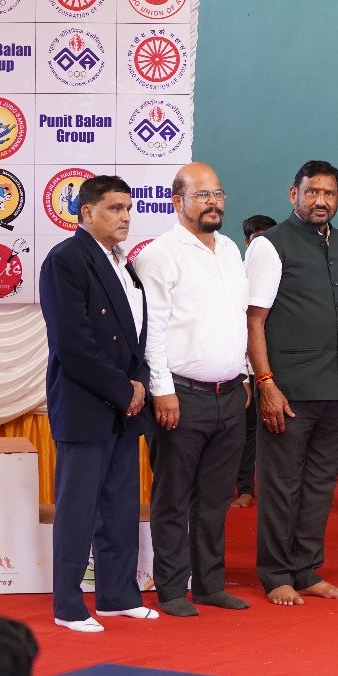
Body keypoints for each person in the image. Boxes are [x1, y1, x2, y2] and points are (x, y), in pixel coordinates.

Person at [39, 174, 158, 632]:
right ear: (87, 213)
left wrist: (139, 382)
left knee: (119, 506)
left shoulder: (124, 264)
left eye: (128, 208)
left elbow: (137, 335)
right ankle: (68, 606)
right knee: (78, 509)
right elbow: (73, 344)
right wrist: (124, 390)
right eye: (114, 208)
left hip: (125, 406)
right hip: (86, 404)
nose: (125, 217)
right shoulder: (66, 260)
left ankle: (116, 596)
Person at [135, 163, 251, 616]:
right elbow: (152, 330)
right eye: (202, 195)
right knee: (173, 498)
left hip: (230, 394)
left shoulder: (231, 249)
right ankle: (169, 590)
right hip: (181, 396)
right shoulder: (159, 255)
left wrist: (243, 374)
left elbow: (235, 319)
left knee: (216, 499)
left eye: (217, 193)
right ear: (177, 201)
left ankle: (209, 585)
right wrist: (161, 390)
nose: (213, 202)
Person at [245, 160, 338, 606]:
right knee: (281, 485)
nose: (320, 201)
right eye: (312, 192)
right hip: (287, 391)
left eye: (329, 193)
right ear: (293, 194)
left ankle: (307, 570)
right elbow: (254, 320)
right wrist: (266, 382)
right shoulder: (269, 245)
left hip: (335, 389)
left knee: (320, 486)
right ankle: (276, 574)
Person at [233, 213, 277, 509]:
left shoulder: (279, 272)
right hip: (242, 368)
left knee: (268, 432)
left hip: (274, 365)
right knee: (244, 431)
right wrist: (242, 373)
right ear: (247, 242)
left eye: (268, 238)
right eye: (257, 238)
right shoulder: (235, 273)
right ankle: (241, 488)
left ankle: (258, 489)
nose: (263, 244)